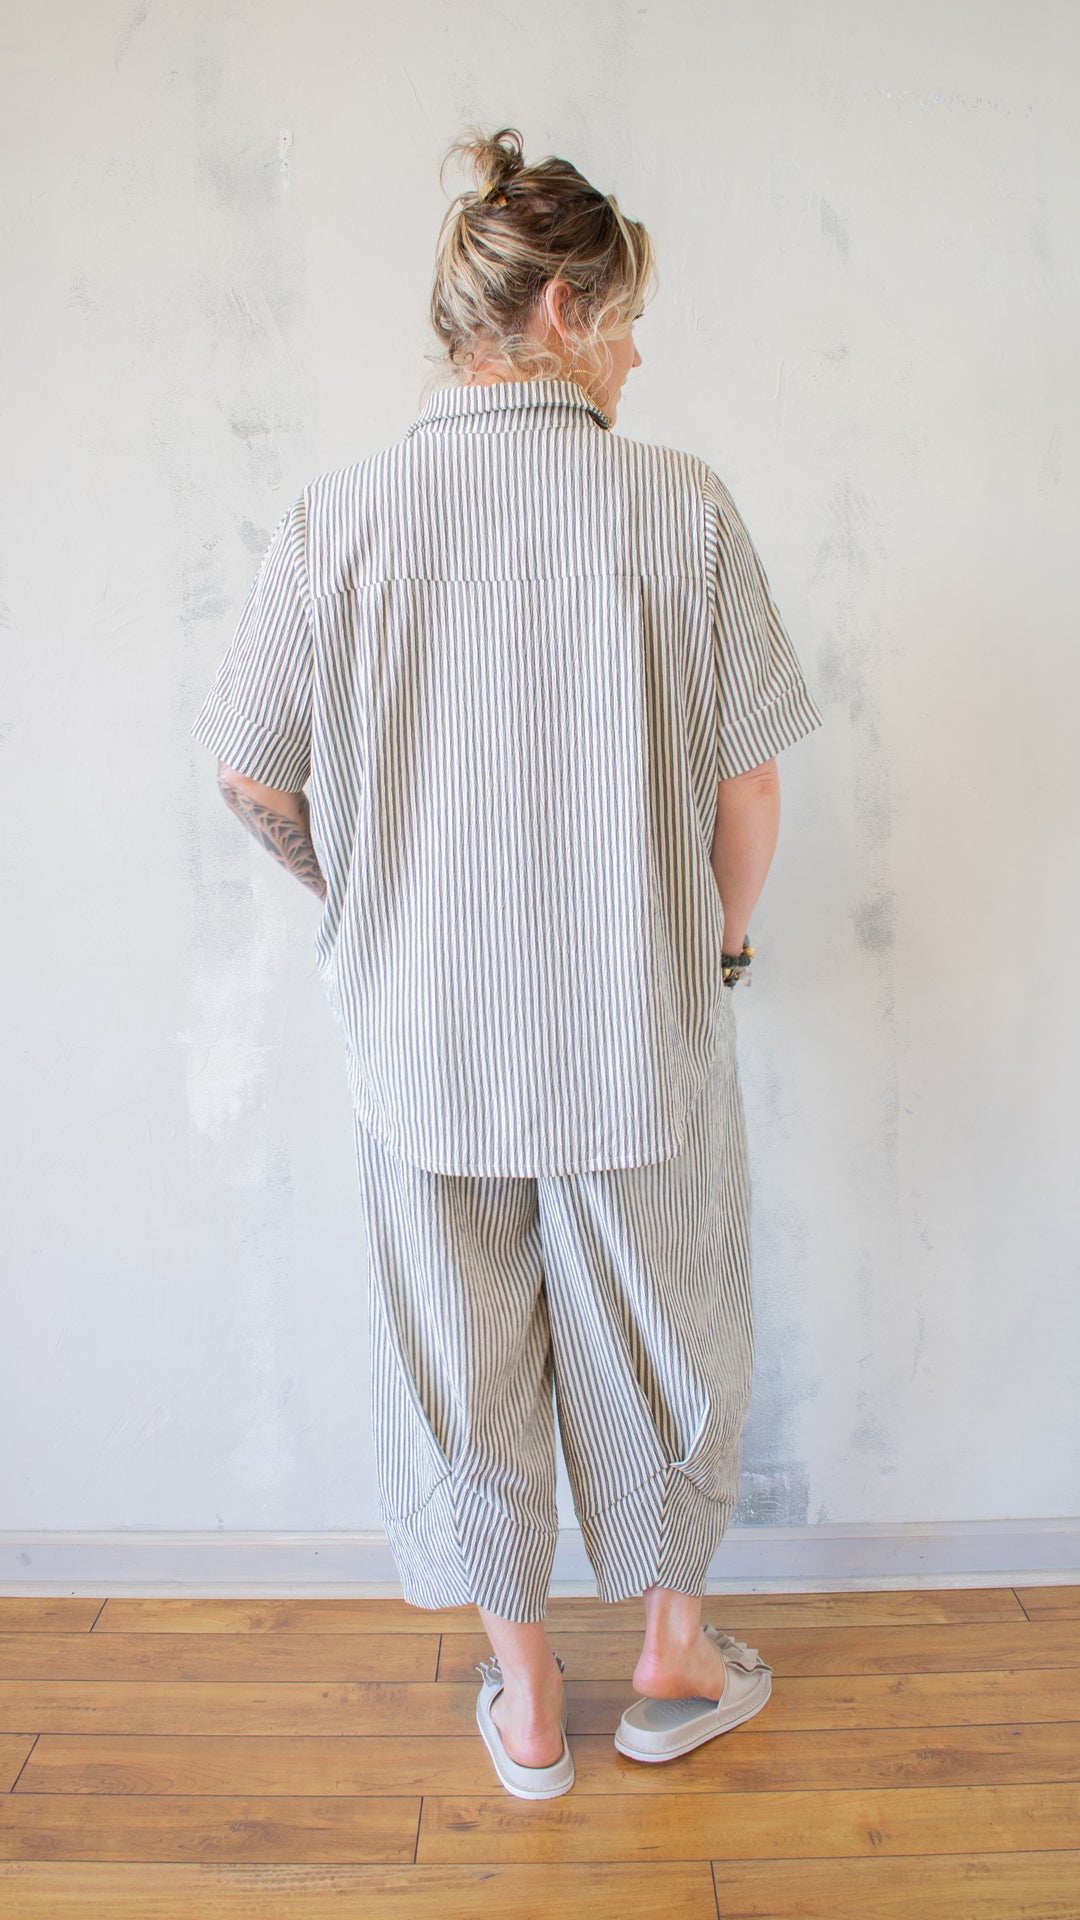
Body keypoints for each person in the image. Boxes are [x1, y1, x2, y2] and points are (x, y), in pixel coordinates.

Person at [191, 124, 822, 1800]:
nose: (636, 355)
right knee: (673, 1329)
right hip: (638, 1025)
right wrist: (724, 946)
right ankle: (672, 1661)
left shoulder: (339, 517)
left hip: (425, 1039)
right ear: (560, 309)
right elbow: (752, 786)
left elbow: (252, 775)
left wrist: (359, 905)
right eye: (627, 319)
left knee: (456, 1356)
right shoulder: (678, 504)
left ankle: (530, 1701)